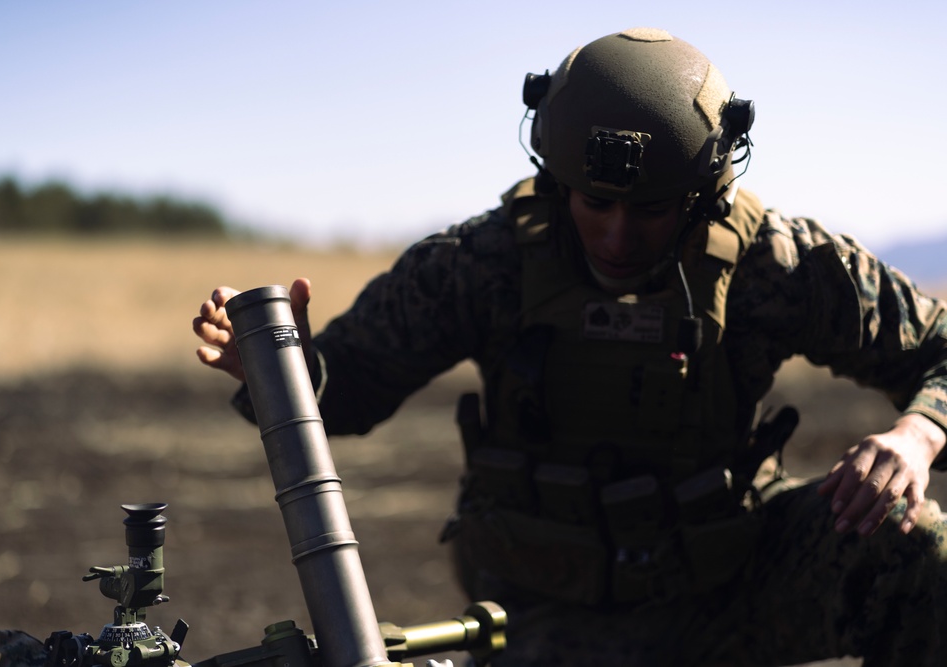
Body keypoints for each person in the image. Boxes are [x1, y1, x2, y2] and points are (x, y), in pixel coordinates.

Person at [192, 28, 947, 666]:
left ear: (704, 190)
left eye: (651, 210)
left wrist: (918, 435)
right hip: (540, 617)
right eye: (596, 203)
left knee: (914, 545)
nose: (619, 236)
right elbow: (347, 385)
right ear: (557, 180)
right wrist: (266, 362)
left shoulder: (773, 263)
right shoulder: (482, 262)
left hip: (728, 589)